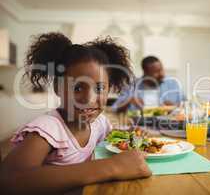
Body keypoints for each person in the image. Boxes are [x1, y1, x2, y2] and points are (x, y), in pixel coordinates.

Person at [0, 33, 151, 195]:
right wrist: (112, 166)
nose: (88, 99)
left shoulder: (99, 123)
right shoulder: (48, 129)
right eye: (77, 88)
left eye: (99, 88)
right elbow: (9, 180)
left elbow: (111, 141)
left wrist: (129, 137)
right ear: (57, 88)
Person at [112, 56, 185, 112]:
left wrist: (175, 107)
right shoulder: (132, 86)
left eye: (161, 70)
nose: (161, 74)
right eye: (156, 72)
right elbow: (115, 108)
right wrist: (130, 100)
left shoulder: (173, 84)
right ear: (145, 72)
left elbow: (188, 105)